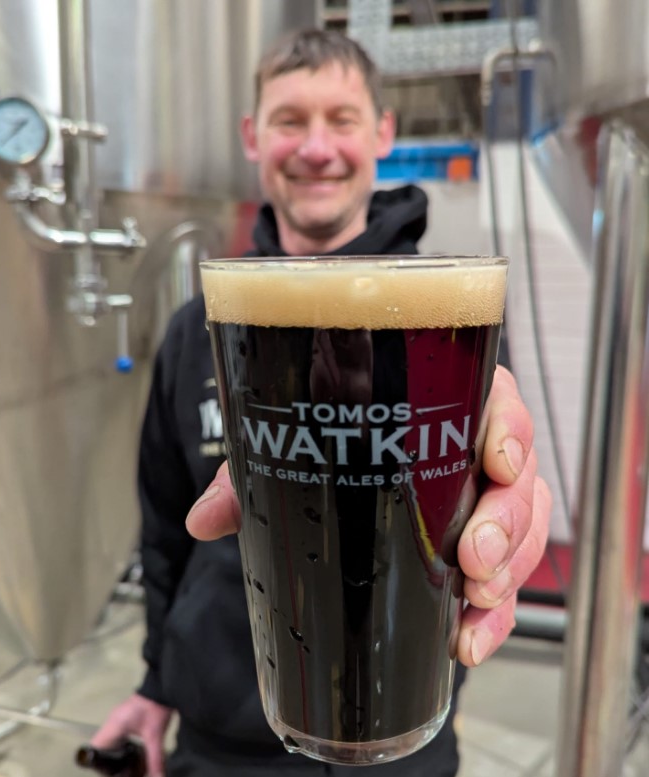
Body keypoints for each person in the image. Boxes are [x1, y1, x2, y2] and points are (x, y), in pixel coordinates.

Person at [91, 28, 551, 777]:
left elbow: (502, 480)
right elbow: (165, 523)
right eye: (289, 120)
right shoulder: (200, 329)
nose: (316, 148)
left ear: (383, 133)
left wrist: (514, 513)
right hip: (226, 738)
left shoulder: (453, 325)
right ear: (252, 137)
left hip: (409, 728)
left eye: (341, 119)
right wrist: (154, 684)